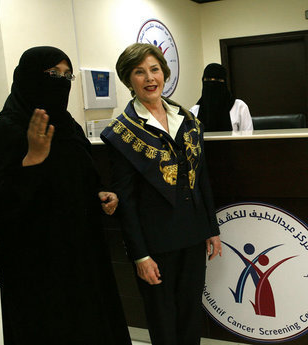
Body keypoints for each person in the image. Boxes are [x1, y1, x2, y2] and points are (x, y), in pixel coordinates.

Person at [0, 47, 131, 344]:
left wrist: (99, 194)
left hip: (82, 253)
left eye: (67, 75)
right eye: (53, 74)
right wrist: (31, 161)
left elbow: (78, 180)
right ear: (28, 76)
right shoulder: (2, 132)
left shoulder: (68, 127)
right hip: (36, 265)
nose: (62, 81)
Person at [100, 43, 222, 345]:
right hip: (156, 244)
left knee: (190, 313)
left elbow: (201, 178)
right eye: (139, 72)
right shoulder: (122, 132)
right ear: (129, 80)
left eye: (154, 69)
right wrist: (140, 255)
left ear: (164, 74)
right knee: (163, 318)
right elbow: (125, 201)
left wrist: (211, 228)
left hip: (193, 235)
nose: (149, 77)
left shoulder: (188, 120)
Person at [190, 63, 253, 131]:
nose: (212, 84)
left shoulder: (239, 107)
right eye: (208, 79)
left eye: (218, 80)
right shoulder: (194, 111)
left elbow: (249, 138)